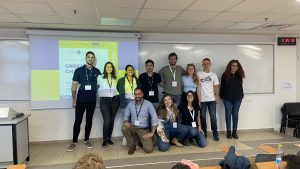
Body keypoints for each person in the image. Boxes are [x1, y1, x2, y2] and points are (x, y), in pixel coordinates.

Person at [67, 51, 101, 152]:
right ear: (85, 58)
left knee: (89, 120)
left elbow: (100, 86)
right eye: (89, 57)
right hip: (81, 100)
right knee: (78, 120)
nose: (90, 59)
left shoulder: (97, 71)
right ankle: (74, 142)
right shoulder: (78, 70)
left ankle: (86, 140)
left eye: (92, 57)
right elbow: (73, 86)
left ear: (94, 59)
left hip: (92, 100)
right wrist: (74, 100)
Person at [121, 87, 158, 155]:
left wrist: (152, 132)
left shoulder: (148, 104)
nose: (137, 96)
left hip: (143, 129)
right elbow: (126, 116)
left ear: (142, 94)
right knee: (124, 128)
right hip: (133, 127)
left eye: (139, 94)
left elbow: (154, 118)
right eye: (135, 94)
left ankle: (143, 140)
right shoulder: (130, 104)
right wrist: (126, 122)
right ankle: (132, 146)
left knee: (149, 150)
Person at [220, 60, 245, 139]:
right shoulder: (225, 75)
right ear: (230, 66)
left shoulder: (239, 75)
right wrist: (222, 96)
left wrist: (241, 95)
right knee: (228, 115)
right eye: (233, 65)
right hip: (227, 99)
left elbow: (240, 86)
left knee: (235, 115)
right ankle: (228, 132)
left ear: (238, 67)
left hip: (237, 98)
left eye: (236, 66)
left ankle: (234, 132)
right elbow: (222, 86)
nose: (234, 67)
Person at [197, 58, 220, 141]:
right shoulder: (198, 74)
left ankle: (215, 133)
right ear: (202, 65)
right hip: (202, 100)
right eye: (204, 64)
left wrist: (217, 96)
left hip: (211, 99)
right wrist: (198, 100)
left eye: (207, 63)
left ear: (210, 64)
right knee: (202, 117)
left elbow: (216, 86)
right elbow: (198, 87)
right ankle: (204, 133)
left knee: (213, 116)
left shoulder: (213, 75)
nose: (206, 65)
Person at [117, 65, 140, 145]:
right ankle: (125, 137)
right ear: (126, 71)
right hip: (125, 101)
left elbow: (139, 90)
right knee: (126, 119)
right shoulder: (121, 80)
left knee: (134, 119)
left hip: (135, 101)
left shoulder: (137, 80)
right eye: (129, 70)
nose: (130, 71)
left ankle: (135, 137)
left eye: (132, 70)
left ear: (133, 71)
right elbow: (118, 90)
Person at [98, 62, 120, 147]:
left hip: (115, 99)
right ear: (105, 68)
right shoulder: (100, 77)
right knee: (107, 120)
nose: (109, 68)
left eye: (111, 67)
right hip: (104, 100)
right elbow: (98, 88)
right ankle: (104, 140)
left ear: (113, 68)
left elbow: (117, 89)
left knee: (112, 120)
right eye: (107, 67)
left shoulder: (116, 78)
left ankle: (109, 138)